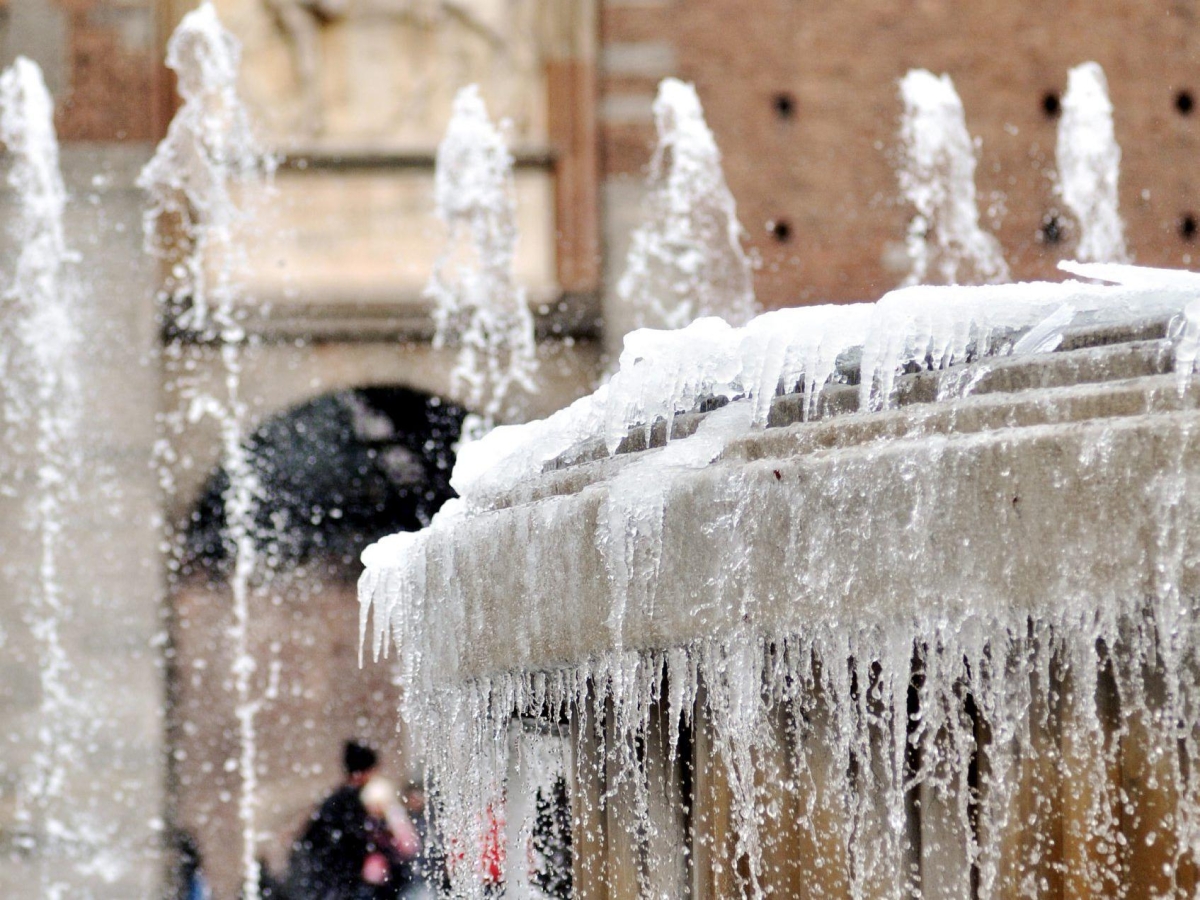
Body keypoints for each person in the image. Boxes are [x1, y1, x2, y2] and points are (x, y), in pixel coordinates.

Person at [287, 741, 419, 900]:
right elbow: (355, 840)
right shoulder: (354, 801)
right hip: (343, 880)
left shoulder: (337, 800)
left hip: (335, 879)